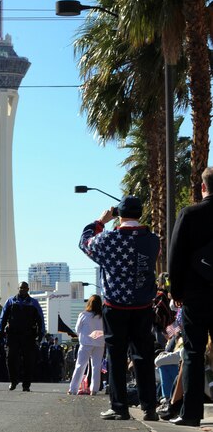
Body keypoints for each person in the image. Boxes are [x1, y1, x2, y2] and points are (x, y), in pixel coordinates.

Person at [80, 195, 159, 421]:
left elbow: (84, 242)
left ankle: (119, 406)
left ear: (119, 215)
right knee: (143, 354)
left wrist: (100, 221)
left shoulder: (107, 239)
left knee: (115, 355)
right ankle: (149, 407)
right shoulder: (153, 240)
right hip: (143, 304)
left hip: (115, 304)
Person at [168, 166, 213, 427]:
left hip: (196, 294)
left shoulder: (189, 214)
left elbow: (175, 256)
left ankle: (191, 413)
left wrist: (177, 292)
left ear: (203, 187)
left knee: (193, 352)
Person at [0, 281, 45, 392]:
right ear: (18, 288)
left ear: (28, 289)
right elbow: (3, 317)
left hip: (28, 336)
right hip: (13, 336)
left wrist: (41, 333)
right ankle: (13, 381)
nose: (22, 289)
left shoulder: (34, 303)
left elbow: (40, 319)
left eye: (24, 288)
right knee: (11, 359)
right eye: (20, 288)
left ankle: (26, 385)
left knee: (28, 361)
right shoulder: (11, 301)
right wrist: (0, 331)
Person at [68, 295, 105, 395]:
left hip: (86, 343)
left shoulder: (84, 314)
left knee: (80, 366)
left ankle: (73, 389)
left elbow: (77, 329)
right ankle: (94, 389)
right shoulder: (103, 316)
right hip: (100, 343)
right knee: (96, 367)